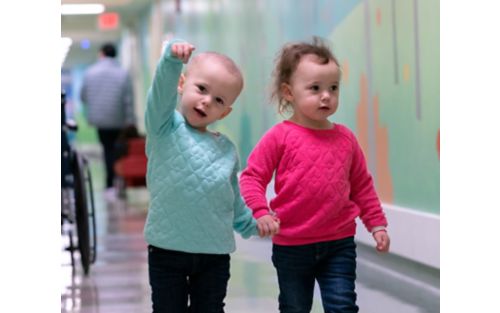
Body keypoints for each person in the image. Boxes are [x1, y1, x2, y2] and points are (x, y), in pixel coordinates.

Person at [239, 37, 390, 313]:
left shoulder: (345, 139)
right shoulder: (280, 137)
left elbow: (362, 186)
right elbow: (252, 177)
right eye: (315, 88)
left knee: (343, 305)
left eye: (333, 88)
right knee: (295, 307)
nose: (326, 96)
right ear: (288, 92)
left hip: (339, 242)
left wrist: (377, 224)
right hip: (292, 244)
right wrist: (260, 211)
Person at [143, 39, 280, 313]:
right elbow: (159, 95)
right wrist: (171, 60)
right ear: (182, 84)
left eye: (218, 100)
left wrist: (253, 224)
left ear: (225, 111)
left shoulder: (226, 149)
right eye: (202, 89)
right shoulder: (164, 128)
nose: (207, 101)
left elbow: (231, 200)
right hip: (167, 250)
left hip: (214, 255)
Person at [80, 42, 135, 199]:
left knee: (107, 151)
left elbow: (83, 96)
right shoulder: (123, 73)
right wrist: (130, 120)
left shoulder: (90, 72)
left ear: (102, 54)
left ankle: (109, 184)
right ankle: (119, 182)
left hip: (100, 120)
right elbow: (128, 100)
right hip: (119, 119)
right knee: (118, 151)